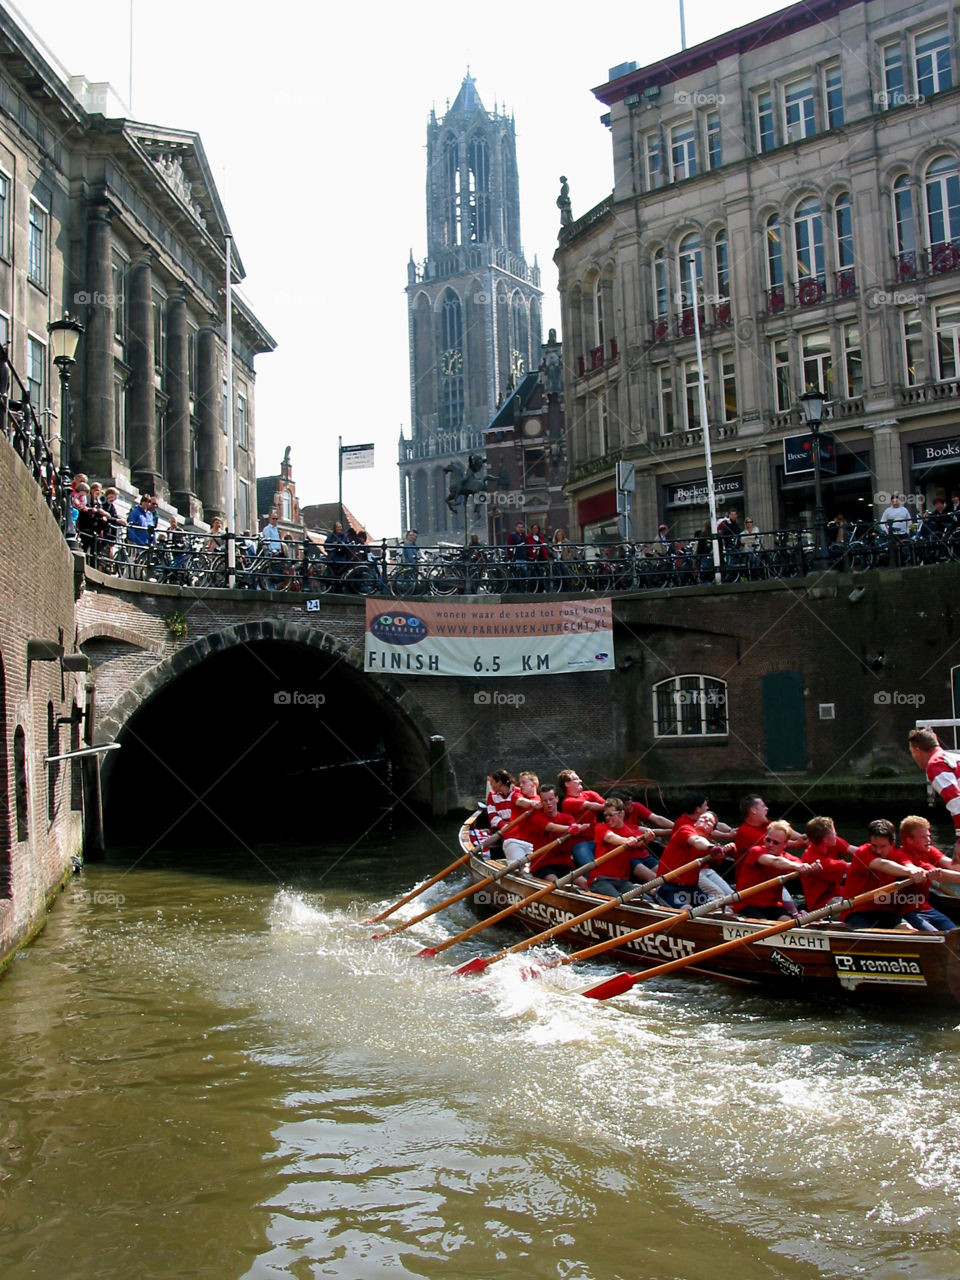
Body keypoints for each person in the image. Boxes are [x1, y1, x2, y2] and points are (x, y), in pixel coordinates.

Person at [843, 818, 934, 930]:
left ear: (893, 844)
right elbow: (883, 865)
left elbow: (908, 864)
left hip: (883, 912)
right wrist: (910, 872)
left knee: (909, 930)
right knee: (870, 936)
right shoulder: (862, 852)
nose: (878, 851)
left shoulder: (896, 855)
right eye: (874, 845)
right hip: (856, 911)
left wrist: (916, 870)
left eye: (882, 846)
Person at [736, 821, 822, 921]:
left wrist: (813, 868)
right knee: (764, 924)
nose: (770, 844)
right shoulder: (756, 851)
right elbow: (774, 861)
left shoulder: (787, 858)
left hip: (772, 906)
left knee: (787, 921)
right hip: (747, 904)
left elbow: (805, 866)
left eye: (775, 842)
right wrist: (798, 866)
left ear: (785, 844)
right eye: (768, 840)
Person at [656, 807, 734, 909]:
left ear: (711, 832)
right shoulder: (685, 830)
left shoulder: (709, 846)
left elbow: (720, 857)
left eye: (710, 821)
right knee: (687, 909)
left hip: (692, 890)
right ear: (695, 824)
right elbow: (696, 841)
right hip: (668, 887)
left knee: (724, 909)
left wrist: (729, 849)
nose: (705, 820)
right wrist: (711, 848)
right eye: (702, 818)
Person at [896, 815, 960, 931]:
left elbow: (951, 865)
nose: (929, 840)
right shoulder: (901, 856)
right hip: (907, 911)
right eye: (924, 837)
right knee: (939, 939)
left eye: (929, 836)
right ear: (910, 840)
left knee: (954, 934)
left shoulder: (928, 849)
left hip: (926, 908)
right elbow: (941, 875)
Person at [586, 798, 658, 896]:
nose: (607, 818)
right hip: (600, 880)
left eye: (611, 815)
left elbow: (639, 844)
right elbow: (610, 837)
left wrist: (647, 838)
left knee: (646, 901)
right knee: (619, 900)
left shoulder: (631, 831)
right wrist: (626, 841)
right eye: (605, 815)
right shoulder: (600, 827)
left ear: (622, 814)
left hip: (622, 881)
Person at [908, 728, 960, 856]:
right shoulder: (954, 758)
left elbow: (956, 801)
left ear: (917, 750)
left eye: (911, 752)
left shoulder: (935, 764)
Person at [526, 786, 589, 882]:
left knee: (584, 883)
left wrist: (577, 829)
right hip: (542, 865)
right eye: (545, 801)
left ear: (557, 799)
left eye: (551, 799)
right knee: (556, 883)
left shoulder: (567, 818)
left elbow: (574, 830)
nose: (549, 803)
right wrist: (570, 829)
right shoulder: (537, 816)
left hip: (564, 864)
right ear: (541, 802)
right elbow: (550, 827)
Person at [799, 816, 852, 912]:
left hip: (837, 893)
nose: (836, 834)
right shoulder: (813, 860)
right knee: (857, 908)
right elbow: (852, 867)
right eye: (833, 832)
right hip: (821, 905)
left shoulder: (833, 842)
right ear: (825, 840)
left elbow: (858, 852)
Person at [558, 769, 606, 868]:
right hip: (580, 843)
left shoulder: (590, 794)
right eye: (575, 779)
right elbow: (592, 805)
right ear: (567, 784)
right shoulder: (568, 802)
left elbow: (606, 805)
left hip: (597, 840)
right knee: (592, 869)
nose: (580, 780)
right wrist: (606, 806)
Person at [500, 770, 543, 868]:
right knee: (521, 869)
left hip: (533, 844)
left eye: (524, 782)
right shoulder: (517, 794)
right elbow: (520, 801)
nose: (521, 785)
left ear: (534, 784)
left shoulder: (542, 800)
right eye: (520, 783)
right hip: (514, 841)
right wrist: (533, 804)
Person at [485, 769, 518, 834]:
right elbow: (492, 817)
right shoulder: (492, 795)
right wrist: (505, 827)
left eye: (492, 783)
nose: (491, 786)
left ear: (499, 783)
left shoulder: (517, 792)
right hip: (500, 829)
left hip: (516, 827)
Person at [507, 520, 528, 591]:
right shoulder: (512, 536)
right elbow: (509, 546)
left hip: (523, 557)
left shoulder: (524, 536)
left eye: (521, 527)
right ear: (516, 527)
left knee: (524, 573)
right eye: (519, 527)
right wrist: (511, 556)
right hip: (516, 557)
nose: (520, 529)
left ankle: (522, 588)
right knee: (517, 573)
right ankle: (516, 588)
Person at [526, 522, 548, 589]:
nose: (535, 529)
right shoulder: (528, 537)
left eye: (536, 528)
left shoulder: (540, 536)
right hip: (534, 556)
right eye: (534, 528)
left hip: (542, 555)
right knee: (536, 571)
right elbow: (528, 547)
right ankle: (537, 587)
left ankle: (544, 586)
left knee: (544, 570)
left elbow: (543, 544)